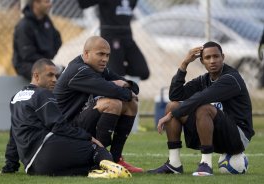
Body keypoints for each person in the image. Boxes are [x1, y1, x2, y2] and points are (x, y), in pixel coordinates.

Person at [0, 58, 131, 178]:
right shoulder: (42, 94)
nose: (55, 80)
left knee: (78, 164)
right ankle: (111, 165)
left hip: (33, 167)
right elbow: (59, 126)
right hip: (47, 150)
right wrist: (89, 137)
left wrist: (10, 166)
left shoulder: (15, 98)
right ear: (36, 76)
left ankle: (94, 172)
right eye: (50, 75)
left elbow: (13, 135)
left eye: (56, 75)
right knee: (97, 149)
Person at [147, 41, 254, 176]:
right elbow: (175, 95)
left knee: (203, 108)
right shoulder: (204, 79)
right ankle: (174, 164)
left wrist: (171, 115)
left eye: (216, 56)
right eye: (208, 58)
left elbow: (202, 97)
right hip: (215, 134)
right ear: (202, 61)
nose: (212, 61)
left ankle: (206, 164)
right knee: (172, 105)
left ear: (223, 57)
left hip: (237, 137)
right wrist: (184, 64)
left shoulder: (231, 78)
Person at [53, 36, 143, 173]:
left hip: (82, 120)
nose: (105, 59)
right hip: (67, 128)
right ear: (86, 54)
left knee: (132, 103)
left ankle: (116, 159)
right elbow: (112, 91)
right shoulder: (79, 70)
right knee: (112, 103)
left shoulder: (98, 68)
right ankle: (101, 161)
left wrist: (126, 85)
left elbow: (134, 88)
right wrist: (122, 90)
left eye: (107, 55)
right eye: (100, 54)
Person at [77, 0, 150, 81]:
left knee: (143, 71)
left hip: (127, 36)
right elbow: (83, 4)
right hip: (111, 36)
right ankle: (106, 77)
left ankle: (106, 72)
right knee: (116, 75)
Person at [12, 0, 62, 80]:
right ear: (36, 3)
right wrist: (48, 65)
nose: (50, 5)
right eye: (47, 2)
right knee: (50, 75)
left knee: (66, 72)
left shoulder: (46, 21)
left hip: (45, 62)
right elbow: (27, 54)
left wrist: (49, 57)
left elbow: (57, 39)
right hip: (26, 65)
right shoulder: (24, 26)